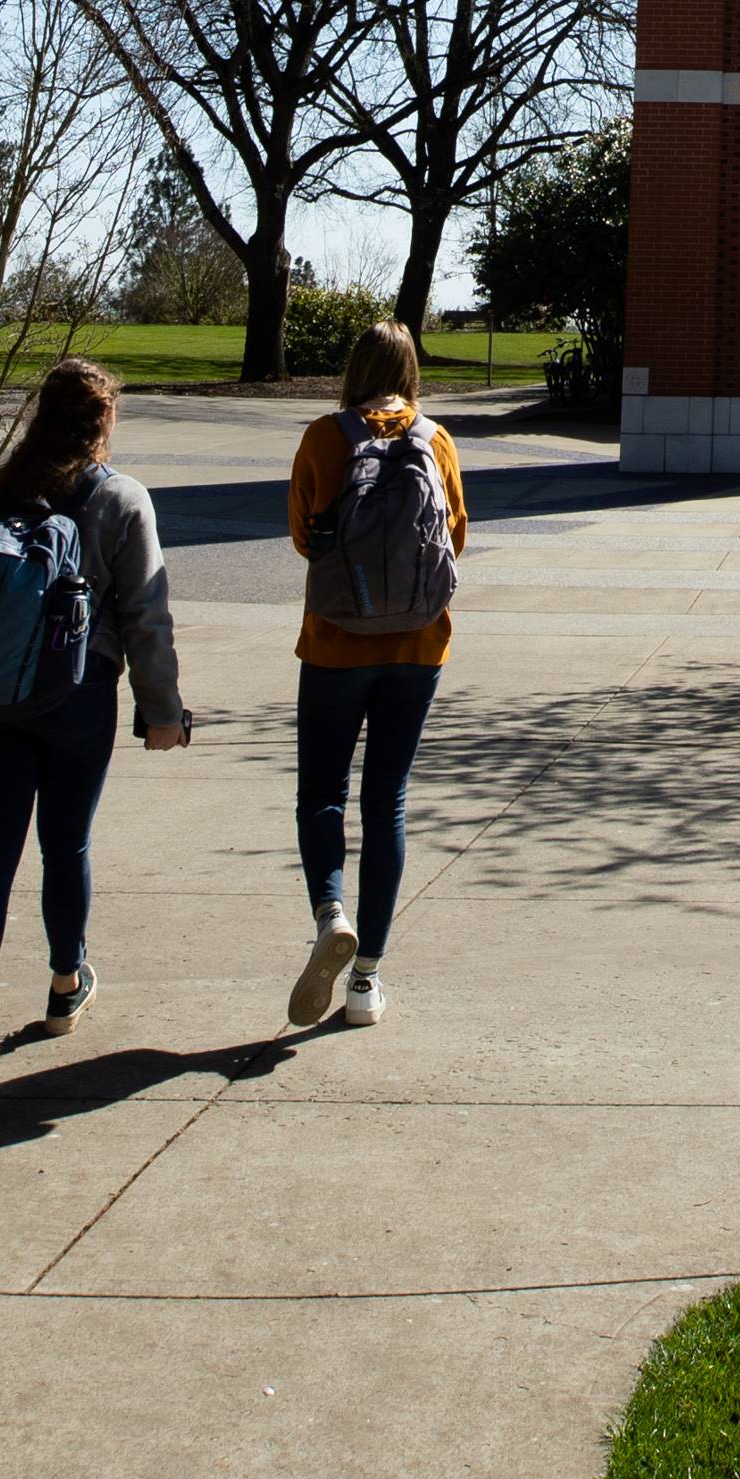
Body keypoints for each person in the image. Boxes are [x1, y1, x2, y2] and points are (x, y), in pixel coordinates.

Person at [0, 357, 191, 1095]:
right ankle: (61, 984)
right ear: (104, 422)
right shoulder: (122, 499)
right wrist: (163, 713)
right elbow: (147, 616)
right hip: (78, 696)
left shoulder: (5, 492)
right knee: (65, 844)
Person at [280, 320, 470, 1031]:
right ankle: (367, 980)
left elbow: (304, 535)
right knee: (386, 798)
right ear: (411, 369)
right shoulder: (436, 439)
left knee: (322, 793)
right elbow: (454, 535)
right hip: (417, 647)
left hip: (334, 644)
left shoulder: (325, 439)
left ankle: (332, 912)